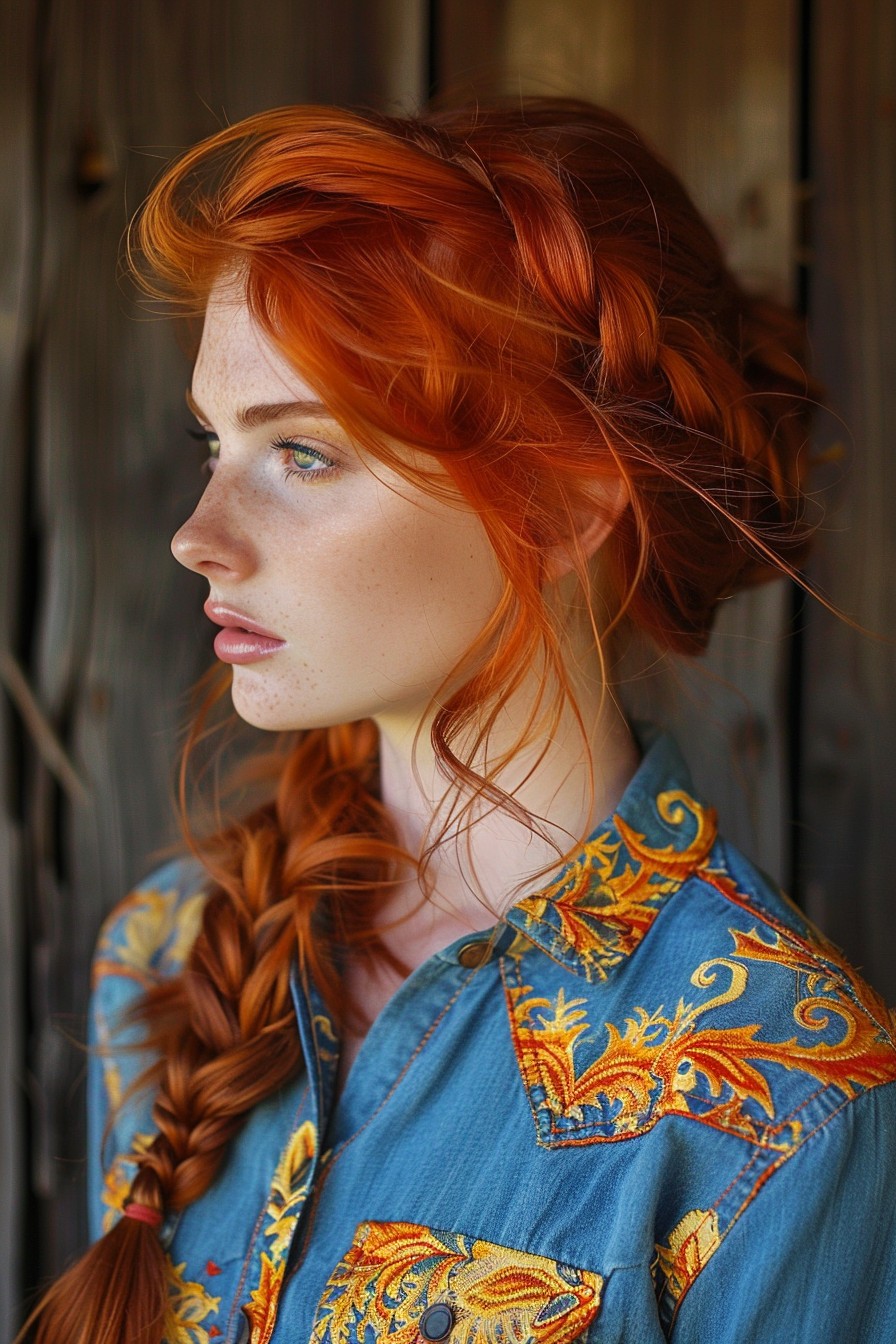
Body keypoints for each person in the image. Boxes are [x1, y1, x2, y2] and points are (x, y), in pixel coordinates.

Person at [24, 98, 896, 1344]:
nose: (196, 536)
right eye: (214, 443)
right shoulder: (173, 958)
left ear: (565, 499)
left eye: (304, 454)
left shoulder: (784, 1101)